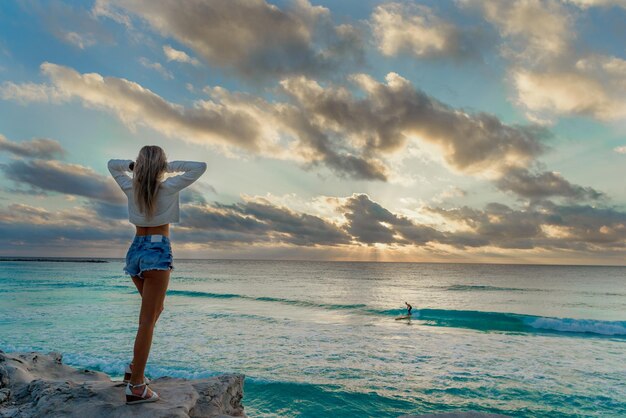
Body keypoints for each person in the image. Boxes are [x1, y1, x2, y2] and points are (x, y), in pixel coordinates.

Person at [108, 146, 207, 405]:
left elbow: (111, 164)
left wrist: (134, 168)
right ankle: (137, 386)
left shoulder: (131, 187)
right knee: (147, 321)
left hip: (135, 250)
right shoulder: (168, 187)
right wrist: (164, 168)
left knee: (155, 310)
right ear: (161, 165)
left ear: (139, 164)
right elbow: (199, 166)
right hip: (156, 250)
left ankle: (133, 368)